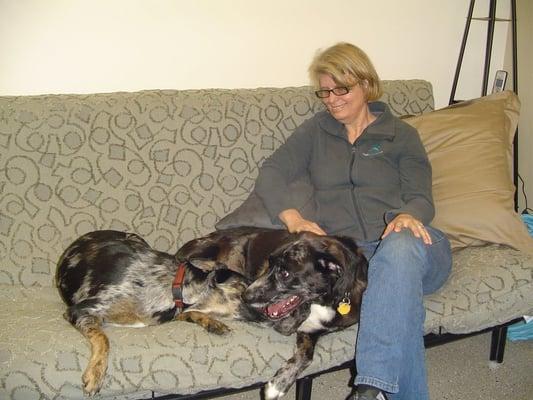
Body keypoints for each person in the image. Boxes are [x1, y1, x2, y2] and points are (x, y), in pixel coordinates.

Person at [253, 42, 452, 400]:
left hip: (417, 248)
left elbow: (422, 196)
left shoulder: (401, 135)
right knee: (397, 301)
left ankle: (371, 380)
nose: (331, 99)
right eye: (324, 91)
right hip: (356, 259)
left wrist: (408, 215)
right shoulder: (315, 133)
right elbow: (271, 173)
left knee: (399, 249)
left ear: (365, 84)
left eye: (340, 89)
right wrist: (293, 216)